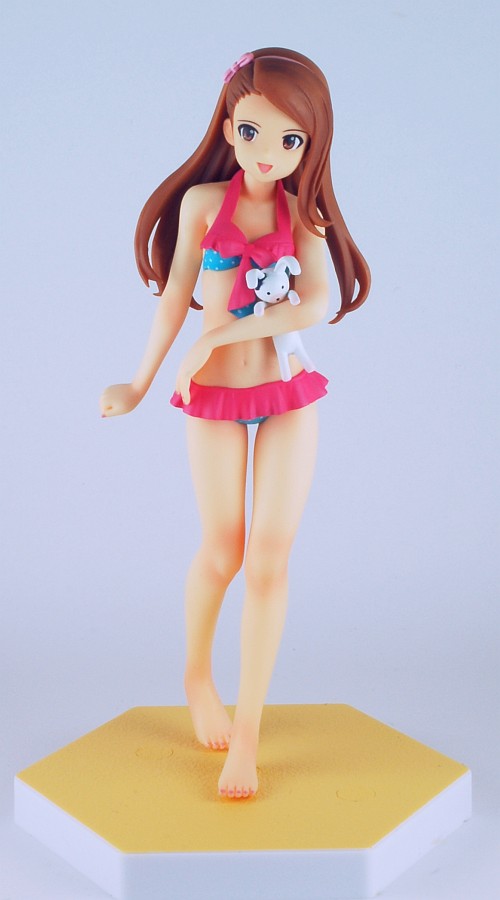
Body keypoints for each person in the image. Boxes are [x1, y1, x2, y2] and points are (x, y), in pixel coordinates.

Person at [100, 48, 370, 799]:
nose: (269, 152)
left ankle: (247, 732)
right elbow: (174, 297)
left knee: (271, 560)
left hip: (285, 391)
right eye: (252, 132)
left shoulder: (303, 215)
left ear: (312, 146)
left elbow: (315, 303)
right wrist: (139, 382)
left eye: (291, 140)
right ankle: (196, 676)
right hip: (214, 395)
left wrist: (219, 334)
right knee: (223, 550)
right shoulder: (202, 205)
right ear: (227, 126)